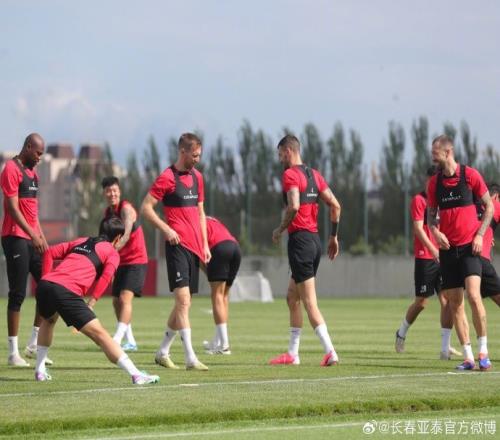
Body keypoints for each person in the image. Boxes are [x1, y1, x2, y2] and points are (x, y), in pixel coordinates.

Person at [34, 216, 159, 385]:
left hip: (45, 286)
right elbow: (106, 277)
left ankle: (40, 371)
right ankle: (136, 374)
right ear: (118, 238)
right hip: (66, 291)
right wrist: (92, 302)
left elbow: (49, 253)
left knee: (48, 321)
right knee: (101, 336)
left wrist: (46, 278)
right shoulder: (112, 253)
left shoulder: (82, 241)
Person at [269, 134, 340, 367]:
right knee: (292, 297)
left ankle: (330, 351)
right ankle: (292, 354)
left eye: (280, 154)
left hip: (300, 242)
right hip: (314, 242)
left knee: (309, 302)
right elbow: (335, 205)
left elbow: (294, 206)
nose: (280, 159)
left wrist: (280, 229)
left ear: (288, 151)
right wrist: (333, 236)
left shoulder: (290, 175)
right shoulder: (314, 175)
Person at [141, 133, 211, 371]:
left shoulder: (198, 178)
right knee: (182, 301)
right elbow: (146, 208)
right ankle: (190, 358)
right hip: (176, 247)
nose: (197, 159)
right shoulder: (167, 178)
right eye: (195, 155)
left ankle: (162, 352)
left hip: (194, 248)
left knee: (184, 304)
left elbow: (200, 213)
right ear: (183, 152)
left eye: (199, 155)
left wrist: (205, 244)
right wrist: (167, 230)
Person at [427, 135, 493, 371]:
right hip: (448, 251)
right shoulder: (434, 183)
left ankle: (483, 353)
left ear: (448, 152)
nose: (433, 158)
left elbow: (489, 207)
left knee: (474, 296)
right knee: (455, 303)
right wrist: (436, 233)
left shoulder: (470, 175)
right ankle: (468, 357)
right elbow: (430, 217)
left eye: (436, 154)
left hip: (469, 248)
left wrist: (480, 235)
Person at [395, 166, 461, 360]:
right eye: (431, 180)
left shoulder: (442, 200)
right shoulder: (419, 200)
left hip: (444, 257)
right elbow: (418, 229)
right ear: (427, 181)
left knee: (447, 300)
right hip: (425, 257)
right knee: (422, 302)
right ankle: (401, 333)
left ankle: (445, 348)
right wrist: (432, 250)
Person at [1, 133, 53, 367]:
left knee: (48, 288)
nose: (40, 157)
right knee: (18, 294)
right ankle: (13, 353)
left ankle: (33, 344)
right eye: (38, 153)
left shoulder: (34, 174)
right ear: (28, 147)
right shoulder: (11, 169)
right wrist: (32, 235)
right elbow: (13, 209)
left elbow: (33, 212)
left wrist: (40, 235)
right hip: (15, 238)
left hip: (32, 238)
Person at [101, 176, 149, 351]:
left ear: (119, 191)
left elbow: (127, 234)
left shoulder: (126, 209)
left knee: (124, 299)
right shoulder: (107, 214)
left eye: (115, 190)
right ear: (104, 193)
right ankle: (131, 341)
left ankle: (117, 339)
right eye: (108, 191)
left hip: (136, 260)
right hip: (120, 262)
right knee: (116, 301)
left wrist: (114, 249)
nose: (112, 193)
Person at [201, 216, 241, 355]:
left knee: (217, 295)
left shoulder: (194, 222)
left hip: (219, 248)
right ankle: (217, 341)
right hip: (235, 247)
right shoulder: (211, 219)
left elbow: (199, 256)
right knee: (223, 296)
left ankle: (224, 345)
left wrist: (209, 273)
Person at [478, 182, 500, 308]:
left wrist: (488, 235)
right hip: (481, 259)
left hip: (461, 257)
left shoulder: (472, 205)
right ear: (496, 196)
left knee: (453, 300)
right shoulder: (495, 204)